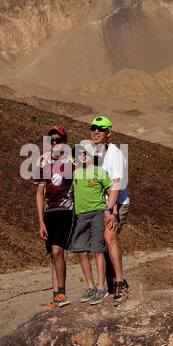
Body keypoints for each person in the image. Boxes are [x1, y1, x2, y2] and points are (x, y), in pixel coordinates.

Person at [89, 116, 131, 306]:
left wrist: (110, 210)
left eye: (101, 129)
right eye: (93, 128)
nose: (96, 132)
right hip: (101, 204)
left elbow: (116, 183)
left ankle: (120, 284)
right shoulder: (95, 153)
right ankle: (110, 286)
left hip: (116, 203)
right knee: (101, 246)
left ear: (109, 133)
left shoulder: (114, 153)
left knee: (109, 237)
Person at [69, 138, 113, 304]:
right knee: (81, 251)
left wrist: (111, 212)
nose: (83, 155)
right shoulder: (75, 174)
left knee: (98, 250)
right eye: (80, 152)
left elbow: (111, 192)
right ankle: (90, 286)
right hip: (80, 215)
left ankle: (101, 287)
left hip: (97, 213)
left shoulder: (100, 172)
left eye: (86, 152)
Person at [35, 125, 74, 309]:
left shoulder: (72, 162)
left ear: (65, 142)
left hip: (66, 211)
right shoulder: (43, 164)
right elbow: (39, 193)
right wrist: (40, 221)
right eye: (51, 141)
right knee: (53, 255)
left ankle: (62, 292)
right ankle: (55, 296)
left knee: (58, 251)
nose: (54, 144)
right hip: (49, 212)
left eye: (58, 140)